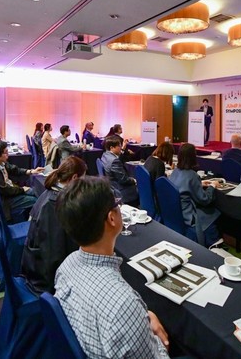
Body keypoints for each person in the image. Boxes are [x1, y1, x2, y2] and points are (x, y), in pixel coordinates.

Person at [54, 177, 170, 358]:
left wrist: (144, 317)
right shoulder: (124, 305)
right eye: (117, 203)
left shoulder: (66, 266)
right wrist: (158, 341)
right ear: (112, 218)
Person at [21, 156, 86, 294]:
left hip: (37, 262)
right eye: (83, 179)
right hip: (44, 278)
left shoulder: (52, 192)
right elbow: (55, 254)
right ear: (74, 177)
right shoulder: (54, 205)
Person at [168, 143, 220, 246]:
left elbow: (183, 186)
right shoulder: (192, 175)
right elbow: (205, 199)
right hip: (188, 215)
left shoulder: (175, 172)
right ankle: (213, 242)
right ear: (193, 157)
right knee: (214, 212)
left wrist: (199, 183)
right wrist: (212, 186)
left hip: (176, 212)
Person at [0, 140, 43, 223]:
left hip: (7, 193)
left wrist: (31, 171)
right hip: (3, 201)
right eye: (5, 152)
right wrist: (22, 189)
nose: (8, 154)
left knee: (35, 193)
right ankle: (34, 223)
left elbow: (14, 169)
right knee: (35, 199)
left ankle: (27, 218)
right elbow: (6, 190)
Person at [100, 135, 139, 206]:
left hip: (111, 187)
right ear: (112, 148)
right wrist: (134, 180)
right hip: (120, 191)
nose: (121, 148)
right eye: (119, 146)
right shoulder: (114, 161)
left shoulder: (105, 155)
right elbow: (123, 180)